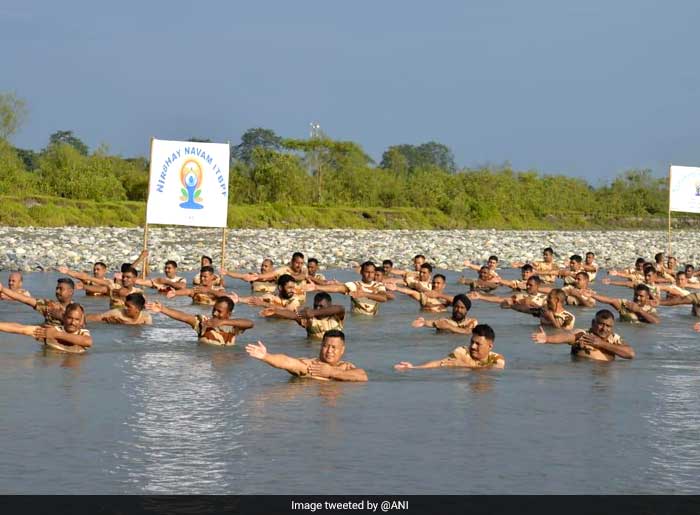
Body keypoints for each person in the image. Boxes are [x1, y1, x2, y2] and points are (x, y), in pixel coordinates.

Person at [246, 329, 368, 381]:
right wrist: (266, 356)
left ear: (342, 350)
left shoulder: (346, 367)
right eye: (326, 346)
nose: (329, 351)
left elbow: (363, 376)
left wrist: (331, 372)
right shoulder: (312, 366)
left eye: (334, 347)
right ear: (321, 346)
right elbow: (288, 362)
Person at [531, 309, 635, 361]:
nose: (604, 329)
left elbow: (630, 354)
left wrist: (601, 344)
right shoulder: (583, 334)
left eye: (608, 326)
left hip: (606, 377)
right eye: (600, 324)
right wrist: (547, 339)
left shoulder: (614, 338)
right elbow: (567, 337)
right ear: (593, 323)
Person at [147, 296, 253, 346]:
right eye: (214, 309)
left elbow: (250, 323)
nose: (215, 313)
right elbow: (183, 317)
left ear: (229, 314)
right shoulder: (203, 322)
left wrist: (224, 322)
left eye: (219, 311)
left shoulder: (234, 327)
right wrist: (163, 309)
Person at [394, 324, 504, 370]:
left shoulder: (497, 359)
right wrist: (414, 368)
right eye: (472, 342)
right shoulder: (462, 352)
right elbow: (440, 363)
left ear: (490, 346)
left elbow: (492, 371)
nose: (473, 346)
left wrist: (465, 366)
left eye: (478, 344)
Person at [0, 303, 92, 354]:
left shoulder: (82, 332)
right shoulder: (50, 330)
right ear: (63, 317)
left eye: (76, 319)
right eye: (70, 318)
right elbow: (21, 329)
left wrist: (55, 334)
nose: (73, 322)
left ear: (81, 321)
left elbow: (87, 342)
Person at [311, 261, 388, 315]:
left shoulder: (379, 286)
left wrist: (364, 294)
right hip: (357, 321)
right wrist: (316, 287)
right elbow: (337, 289)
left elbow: (383, 298)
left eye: (372, 272)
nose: (370, 275)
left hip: (373, 321)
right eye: (367, 272)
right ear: (361, 272)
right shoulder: (354, 285)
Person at [260, 292, 345, 339]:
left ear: (330, 305)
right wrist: (275, 311)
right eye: (315, 306)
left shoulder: (336, 316)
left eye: (321, 306)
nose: (318, 308)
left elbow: (341, 308)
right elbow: (293, 315)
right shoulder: (309, 319)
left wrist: (314, 312)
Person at [59, 265, 143, 309]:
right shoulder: (114, 287)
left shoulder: (138, 292)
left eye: (128, 277)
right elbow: (102, 289)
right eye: (123, 277)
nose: (124, 279)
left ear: (134, 279)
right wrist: (84, 286)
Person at [0, 278, 75, 326]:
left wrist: (60, 316)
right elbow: (25, 299)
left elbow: (81, 324)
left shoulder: (76, 309)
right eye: (57, 288)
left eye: (61, 289)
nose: (57, 291)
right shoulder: (49, 305)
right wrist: (3, 289)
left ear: (70, 292)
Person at [468, 276, 547, 312]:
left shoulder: (545, 297)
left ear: (537, 286)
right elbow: (500, 299)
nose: (528, 287)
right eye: (527, 285)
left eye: (531, 285)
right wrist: (481, 297)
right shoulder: (521, 296)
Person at [241, 274, 306, 317]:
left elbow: (288, 311)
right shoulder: (272, 297)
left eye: (293, 287)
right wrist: (238, 299)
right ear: (280, 288)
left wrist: (264, 304)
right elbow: (255, 300)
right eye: (289, 288)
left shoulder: (295, 299)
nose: (292, 290)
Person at [591, 284, 660, 324]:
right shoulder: (625, 305)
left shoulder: (650, 310)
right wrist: (592, 295)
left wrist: (639, 310)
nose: (638, 298)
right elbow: (610, 300)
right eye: (636, 295)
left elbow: (656, 322)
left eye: (641, 296)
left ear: (647, 297)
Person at [411, 294, 478, 334]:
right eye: (456, 307)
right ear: (453, 307)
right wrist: (423, 322)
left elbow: (467, 332)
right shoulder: (445, 321)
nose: (458, 310)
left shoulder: (472, 322)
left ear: (467, 310)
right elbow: (433, 323)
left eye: (462, 308)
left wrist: (449, 327)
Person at [86, 293, 153, 325]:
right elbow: (97, 317)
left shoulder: (146, 317)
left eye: (128, 306)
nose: (125, 308)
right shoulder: (117, 313)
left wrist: (121, 324)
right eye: (125, 305)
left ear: (138, 309)